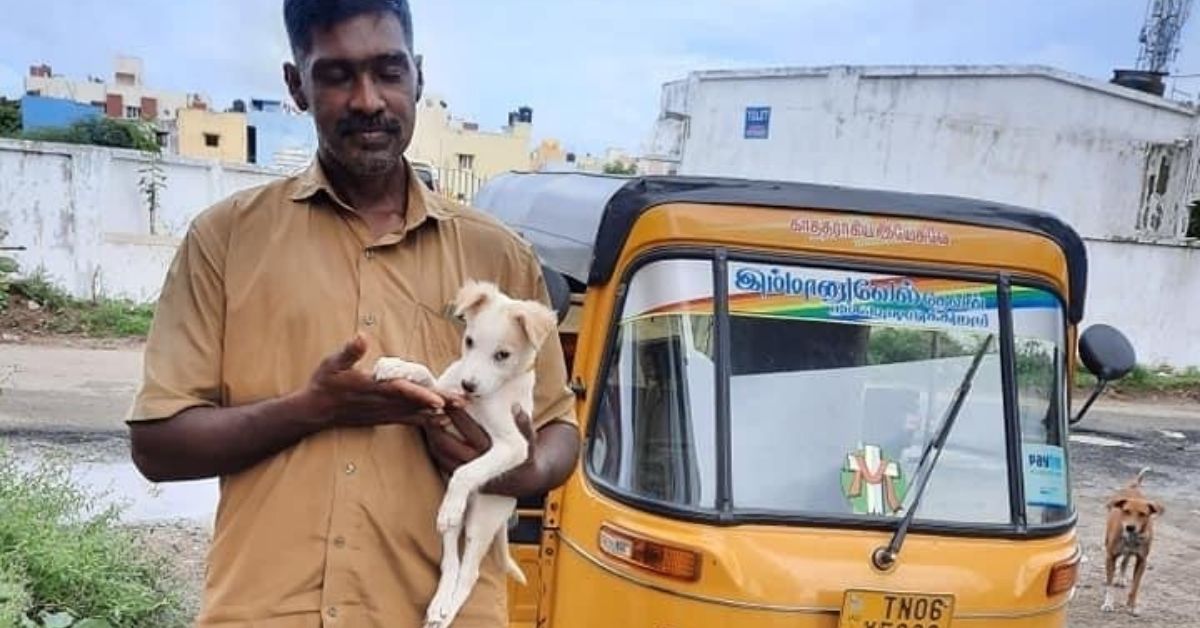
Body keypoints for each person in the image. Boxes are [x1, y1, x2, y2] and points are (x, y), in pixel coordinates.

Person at [125, 1, 580, 626]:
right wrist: (312, 410)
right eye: (337, 75)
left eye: (389, 72)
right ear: (296, 86)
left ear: (417, 76)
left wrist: (511, 469)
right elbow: (158, 446)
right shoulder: (225, 242)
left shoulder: (496, 255)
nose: (369, 99)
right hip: (266, 611)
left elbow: (560, 433)